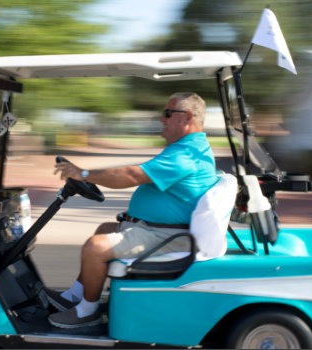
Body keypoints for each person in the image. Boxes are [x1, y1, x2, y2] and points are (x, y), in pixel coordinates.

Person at [46, 92, 219, 329]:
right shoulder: (189, 148)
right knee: (104, 229)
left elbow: (132, 175)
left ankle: (87, 312)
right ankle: (73, 297)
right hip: (157, 230)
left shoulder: (187, 154)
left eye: (168, 113)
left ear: (187, 117)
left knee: (95, 248)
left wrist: (83, 174)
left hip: (167, 237)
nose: (162, 119)